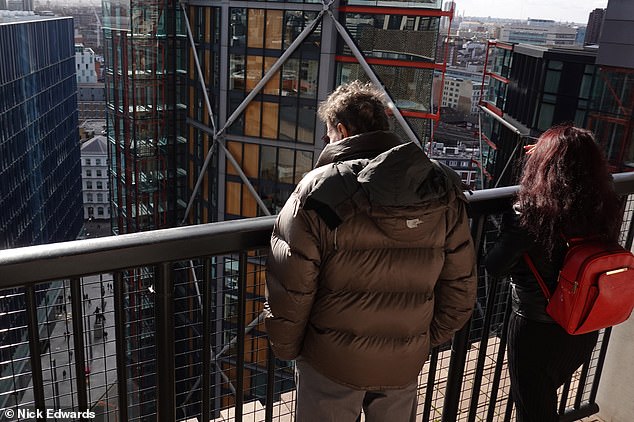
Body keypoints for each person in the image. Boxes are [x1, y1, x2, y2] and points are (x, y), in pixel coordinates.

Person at [265, 81, 477, 421]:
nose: (326, 142)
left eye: (328, 134)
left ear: (341, 130)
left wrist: (291, 349)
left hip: (331, 361)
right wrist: (417, 340)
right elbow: (461, 289)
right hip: (403, 361)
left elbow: (292, 285)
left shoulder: (320, 190)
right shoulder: (438, 186)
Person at [485, 125, 622, 422]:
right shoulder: (605, 203)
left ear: (543, 164)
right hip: (583, 324)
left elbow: (495, 265)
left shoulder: (531, 211)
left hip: (536, 330)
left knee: (533, 410)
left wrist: (506, 219)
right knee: (539, 401)